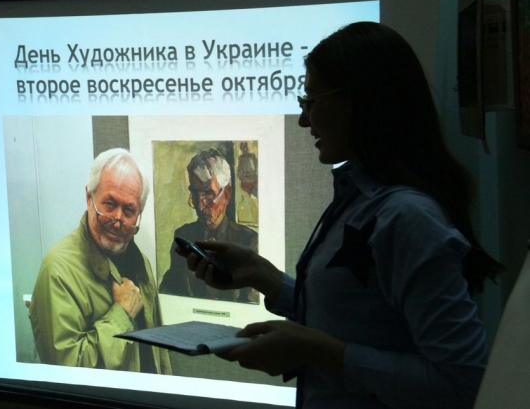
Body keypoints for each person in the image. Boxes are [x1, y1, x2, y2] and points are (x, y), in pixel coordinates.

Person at [176, 22, 504, 408]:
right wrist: (263, 275)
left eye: (312, 101)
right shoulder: (359, 197)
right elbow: (355, 317)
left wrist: (318, 351)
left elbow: (464, 387)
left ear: (360, 101)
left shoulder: (409, 218)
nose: (304, 119)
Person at [29, 148, 171, 374]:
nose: (118, 220)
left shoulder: (140, 262)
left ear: (139, 214)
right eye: (110, 204)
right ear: (89, 198)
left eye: (128, 210)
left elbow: (156, 353)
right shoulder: (58, 270)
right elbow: (68, 371)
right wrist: (122, 314)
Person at [160, 147, 259, 303]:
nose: (200, 206)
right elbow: (170, 291)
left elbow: (251, 305)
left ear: (227, 195)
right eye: (195, 194)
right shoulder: (183, 236)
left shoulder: (249, 242)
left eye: (208, 193)